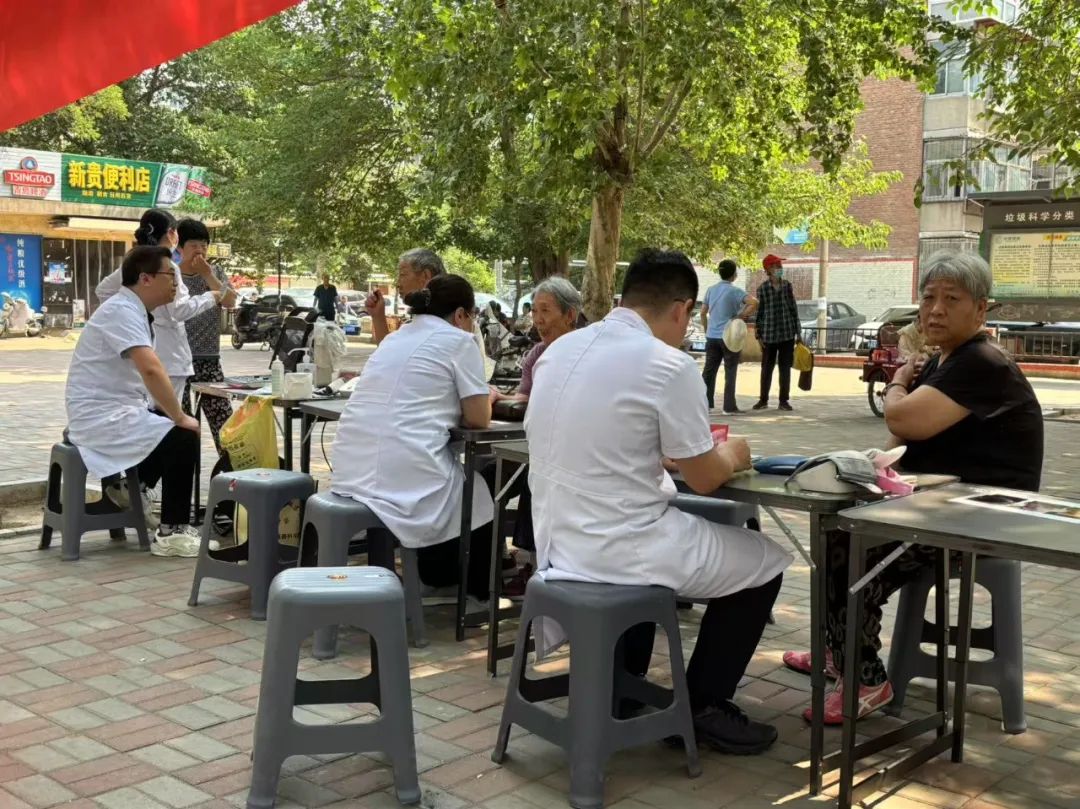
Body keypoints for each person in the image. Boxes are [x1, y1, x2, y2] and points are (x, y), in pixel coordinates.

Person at [526, 249, 792, 753]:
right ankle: (702, 706)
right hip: (621, 547)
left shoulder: (559, 352)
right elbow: (706, 477)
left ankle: (622, 689)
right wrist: (734, 453)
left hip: (558, 542)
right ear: (681, 309)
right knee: (765, 560)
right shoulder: (669, 365)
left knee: (673, 536)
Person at [783, 250, 1044, 724]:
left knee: (848, 546)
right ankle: (840, 653)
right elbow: (900, 444)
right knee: (837, 525)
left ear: (980, 309)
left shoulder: (981, 362)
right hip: (941, 507)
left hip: (981, 519)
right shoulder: (945, 361)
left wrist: (897, 383)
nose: (935, 310)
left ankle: (866, 678)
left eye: (951, 299)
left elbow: (903, 420)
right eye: (928, 298)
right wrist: (867, 472)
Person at [331, 274, 498, 606]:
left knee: (454, 484)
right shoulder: (459, 340)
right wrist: (489, 396)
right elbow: (479, 418)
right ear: (461, 315)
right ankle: (474, 592)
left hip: (349, 466)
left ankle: (439, 577)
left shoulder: (395, 338)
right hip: (401, 471)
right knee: (476, 489)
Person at [66, 246, 204, 557]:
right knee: (182, 435)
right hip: (99, 416)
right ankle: (172, 532)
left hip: (115, 409)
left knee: (166, 423)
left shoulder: (134, 310)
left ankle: (131, 488)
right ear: (145, 278)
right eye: (171, 275)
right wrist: (179, 416)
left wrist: (170, 413)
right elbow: (151, 368)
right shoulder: (121, 311)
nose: (176, 283)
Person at [96, 209, 230, 407]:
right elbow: (180, 310)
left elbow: (104, 291)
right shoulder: (169, 267)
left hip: (146, 353)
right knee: (167, 417)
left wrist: (137, 315)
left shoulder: (133, 264)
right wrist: (211, 297)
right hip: (171, 358)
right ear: (172, 234)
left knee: (149, 412)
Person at [177, 219, 235, 449]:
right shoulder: (172, 275)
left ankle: (230, 465)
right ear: (180, 247)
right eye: (194, 246)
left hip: (209, 360)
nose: (200, 251)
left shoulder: (216, 272)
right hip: (178, 361)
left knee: (224, 422)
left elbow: (230, 301)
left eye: (204, 245)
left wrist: (208, 275)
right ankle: (185, 467)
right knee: (181, 428)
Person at [493, 277, 581, 405]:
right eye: (534, 311)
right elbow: (524, 397)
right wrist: (496, 395)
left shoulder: (588, 352)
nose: (538, 320)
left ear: (569, 315)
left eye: (545, 310)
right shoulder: (536, 354)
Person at [701, 259, 758, 413]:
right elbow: (754, 302)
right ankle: (729, 407)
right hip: (729, 337)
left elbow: (703, 313)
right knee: (730, 371)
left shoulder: (710, 290)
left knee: (709, 372)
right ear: (734, 274)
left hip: (712, 337)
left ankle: (705, 405)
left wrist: (707, 331)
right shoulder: (735, 291)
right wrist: (740, 316)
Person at [753, 254, 800, 412]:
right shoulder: (763, 289)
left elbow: (793, 308)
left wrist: (798, 332)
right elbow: (760, 313)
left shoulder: (787, 286)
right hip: (769, 334)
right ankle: (763, 400)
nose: (780, 268)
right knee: (767, 368)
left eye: (780, 266)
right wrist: (758, 335)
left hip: (787, 333)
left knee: (785, 369)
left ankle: (784, 401)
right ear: (769, 269)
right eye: (777, 266)